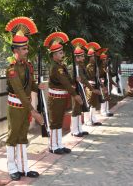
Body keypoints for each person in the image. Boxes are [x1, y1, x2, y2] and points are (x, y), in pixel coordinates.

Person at [5, 17, 44, 180]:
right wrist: (34, 112)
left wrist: (38, 87)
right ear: (15, 51)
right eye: (23, 49)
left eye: (27, 48)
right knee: (13, 137)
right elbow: (20, 92)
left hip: (25, 106)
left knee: (23, 136)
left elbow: (29, 85)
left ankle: (23, 168)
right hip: (16, 106)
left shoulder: (27, 66)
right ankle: (11, 167)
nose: (27, 51)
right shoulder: (11, 69)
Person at [43, 32, 83, 154]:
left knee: (59, 121)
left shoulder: (61, 66)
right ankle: (53, 146)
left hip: (60, 97)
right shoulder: (56, 67)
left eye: (62, 52)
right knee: (55, 122)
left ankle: (59, 144)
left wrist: (75, 81)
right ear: (54, 55)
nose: (63, 54)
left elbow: (68, 80)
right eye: (60, 53)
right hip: (55, 98)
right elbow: (65, 83)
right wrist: (75, 95)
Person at [70, 38, 100, 137]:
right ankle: (74, 130)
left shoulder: (81, 66)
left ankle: (79, 129)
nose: (83, 58)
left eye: (83, 56)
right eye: (81, 56)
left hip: (80, 89)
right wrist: (92, 89)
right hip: (76, 90)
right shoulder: (77, 67)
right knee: (75, 110)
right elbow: (83, 79)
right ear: (77, 58)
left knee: (79, 110)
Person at [84, 42, 103, 126]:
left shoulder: (95, 66)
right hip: (90, 86)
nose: (94, 58)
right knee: (89, 103)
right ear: (89, 57)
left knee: (94, 103)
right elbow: (90, 76)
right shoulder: (88, 66)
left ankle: (93, 119)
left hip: (95, 85)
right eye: (92, 56)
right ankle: (87, 120)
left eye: (94, 56)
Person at [98, 50, 116, 117]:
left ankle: (107, 110)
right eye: (104, 60)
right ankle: (103, 111)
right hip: (104, 85)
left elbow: (109, 77)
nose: (105, 61)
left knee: (107, 97)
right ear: (101, 60)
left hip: (108, 84)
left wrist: (114, 83)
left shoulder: (107, 67)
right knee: (104, 98)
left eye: (106, 59)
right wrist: (103, 86)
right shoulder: (100, 68)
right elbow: (100, 78)